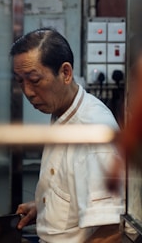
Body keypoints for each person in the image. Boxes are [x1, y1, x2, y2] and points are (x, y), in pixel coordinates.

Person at [10, 28, 125, 243]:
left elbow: (114, 227)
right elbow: (77, 183)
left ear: (65, 73)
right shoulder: (63, 111)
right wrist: (48, 206)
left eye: (34, 80)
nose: (28, 92)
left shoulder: (92, 133)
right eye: (19, 81)